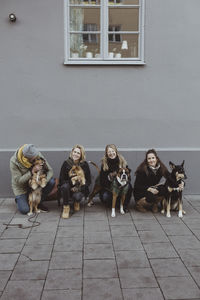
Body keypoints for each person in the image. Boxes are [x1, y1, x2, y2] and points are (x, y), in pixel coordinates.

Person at [10, 144, 55, 214]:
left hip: (36, 183)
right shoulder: (14, 161)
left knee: (51, 182)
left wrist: (44, 181)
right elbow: (19, 181)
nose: (36, 158)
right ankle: (21, 199)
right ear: (26, 158)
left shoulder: (36, 153)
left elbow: (50, 170)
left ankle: (38, 202)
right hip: (22, 188)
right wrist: (31, 172)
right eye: (33, 159)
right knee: (25, 210)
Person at [59, 144, 91, 219]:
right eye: (75, 152)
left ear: (81, 155)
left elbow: (88, 180)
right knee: (64, 186)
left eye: (78, 153)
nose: (75, 154)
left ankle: (76, 202)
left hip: (79, 188)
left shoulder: (84, 165)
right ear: (72, 152)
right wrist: (71, 181)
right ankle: (66, 207)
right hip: (68, 186)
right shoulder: (66, 163)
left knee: (77, 196)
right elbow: (62, 179)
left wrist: (80, 187)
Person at [99, 144, 132, 212]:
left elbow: (129, 177)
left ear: (116, 151)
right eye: (109, 152)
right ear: (106, 153)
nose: (111, 153)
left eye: (112, 151)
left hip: (122, 185)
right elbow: (102, 180)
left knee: (129, 187)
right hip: (109, 188)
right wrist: (110, 178)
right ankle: (115, 203)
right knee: (105, 197)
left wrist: (123, 183)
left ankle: (124, 205)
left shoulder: (122, 161)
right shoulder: (104, 164)